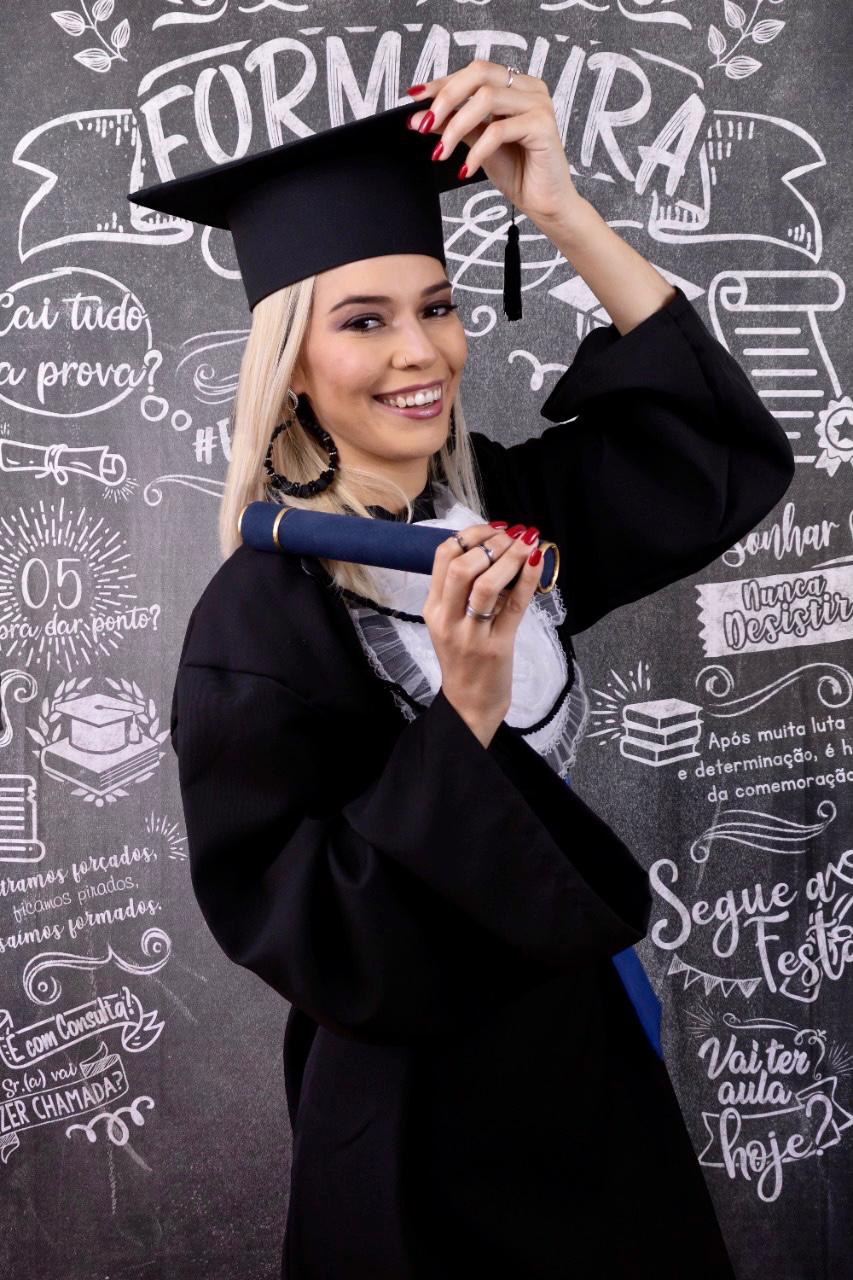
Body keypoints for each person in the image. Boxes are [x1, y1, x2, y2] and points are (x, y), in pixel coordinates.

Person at [130, 63, 796, 1279]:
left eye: (435, 306)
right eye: (364, 318)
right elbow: (311, 933)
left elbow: (709, 458)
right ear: (289, 359)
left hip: (591, 1069)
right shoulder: (261, 618)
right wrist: (467, 713)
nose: (419, 351)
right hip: (419, 1130)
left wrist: (562, 213)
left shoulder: (496, 513)